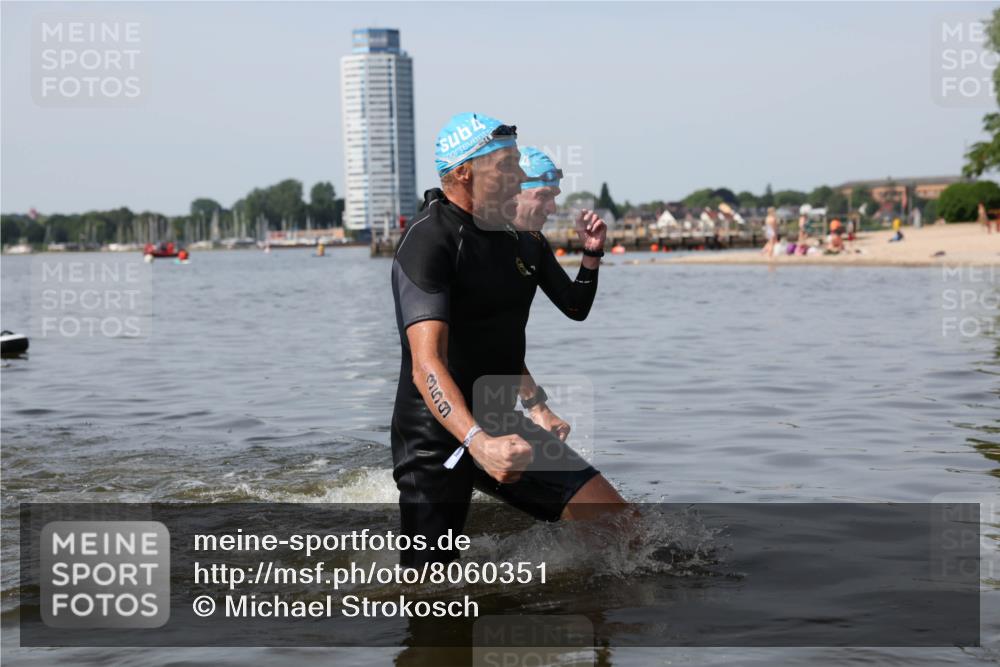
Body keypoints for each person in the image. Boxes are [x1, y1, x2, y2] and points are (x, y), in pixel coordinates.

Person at [390, 114, 626, 567]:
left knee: (622, 528)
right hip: (435, 437)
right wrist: (477, 442)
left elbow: (515, 329)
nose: (519, 176)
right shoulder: (429, 241)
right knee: (430, 588)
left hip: (499, 417)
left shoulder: (520, 240)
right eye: (508, 165)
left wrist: (534, 407)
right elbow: (427, 366)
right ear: (465, 172)